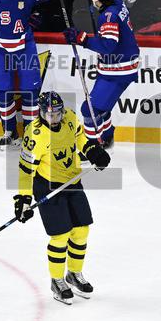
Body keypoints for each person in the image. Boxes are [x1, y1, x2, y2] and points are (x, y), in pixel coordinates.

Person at [15, 91, 111, 305]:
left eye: (57, 114)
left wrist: (93, 151)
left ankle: (73, 275)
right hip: (47, 186)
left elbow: (80, 138)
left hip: (72, 181)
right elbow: (25, 170)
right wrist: (22, 199)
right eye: (50, 115)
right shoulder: (35, 134)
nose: (55, 118)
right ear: (41, 113)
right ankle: (57, 280)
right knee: (60, 236)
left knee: (81, 230)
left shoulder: (69, 118)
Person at [0, 0, 89, 148]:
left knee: (30, 92)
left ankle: (31, 133)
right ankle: (9, 131)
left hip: (24, 46)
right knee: (2, 92)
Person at [63, 0, 141, 147]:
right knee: (100, 108)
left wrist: (82, 39)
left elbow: (108, 46)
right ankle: (107, 135)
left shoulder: (108, 17)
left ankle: (91, 147)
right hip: (117, 68)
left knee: (89, 110)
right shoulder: (117, 4)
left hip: (118, 71)